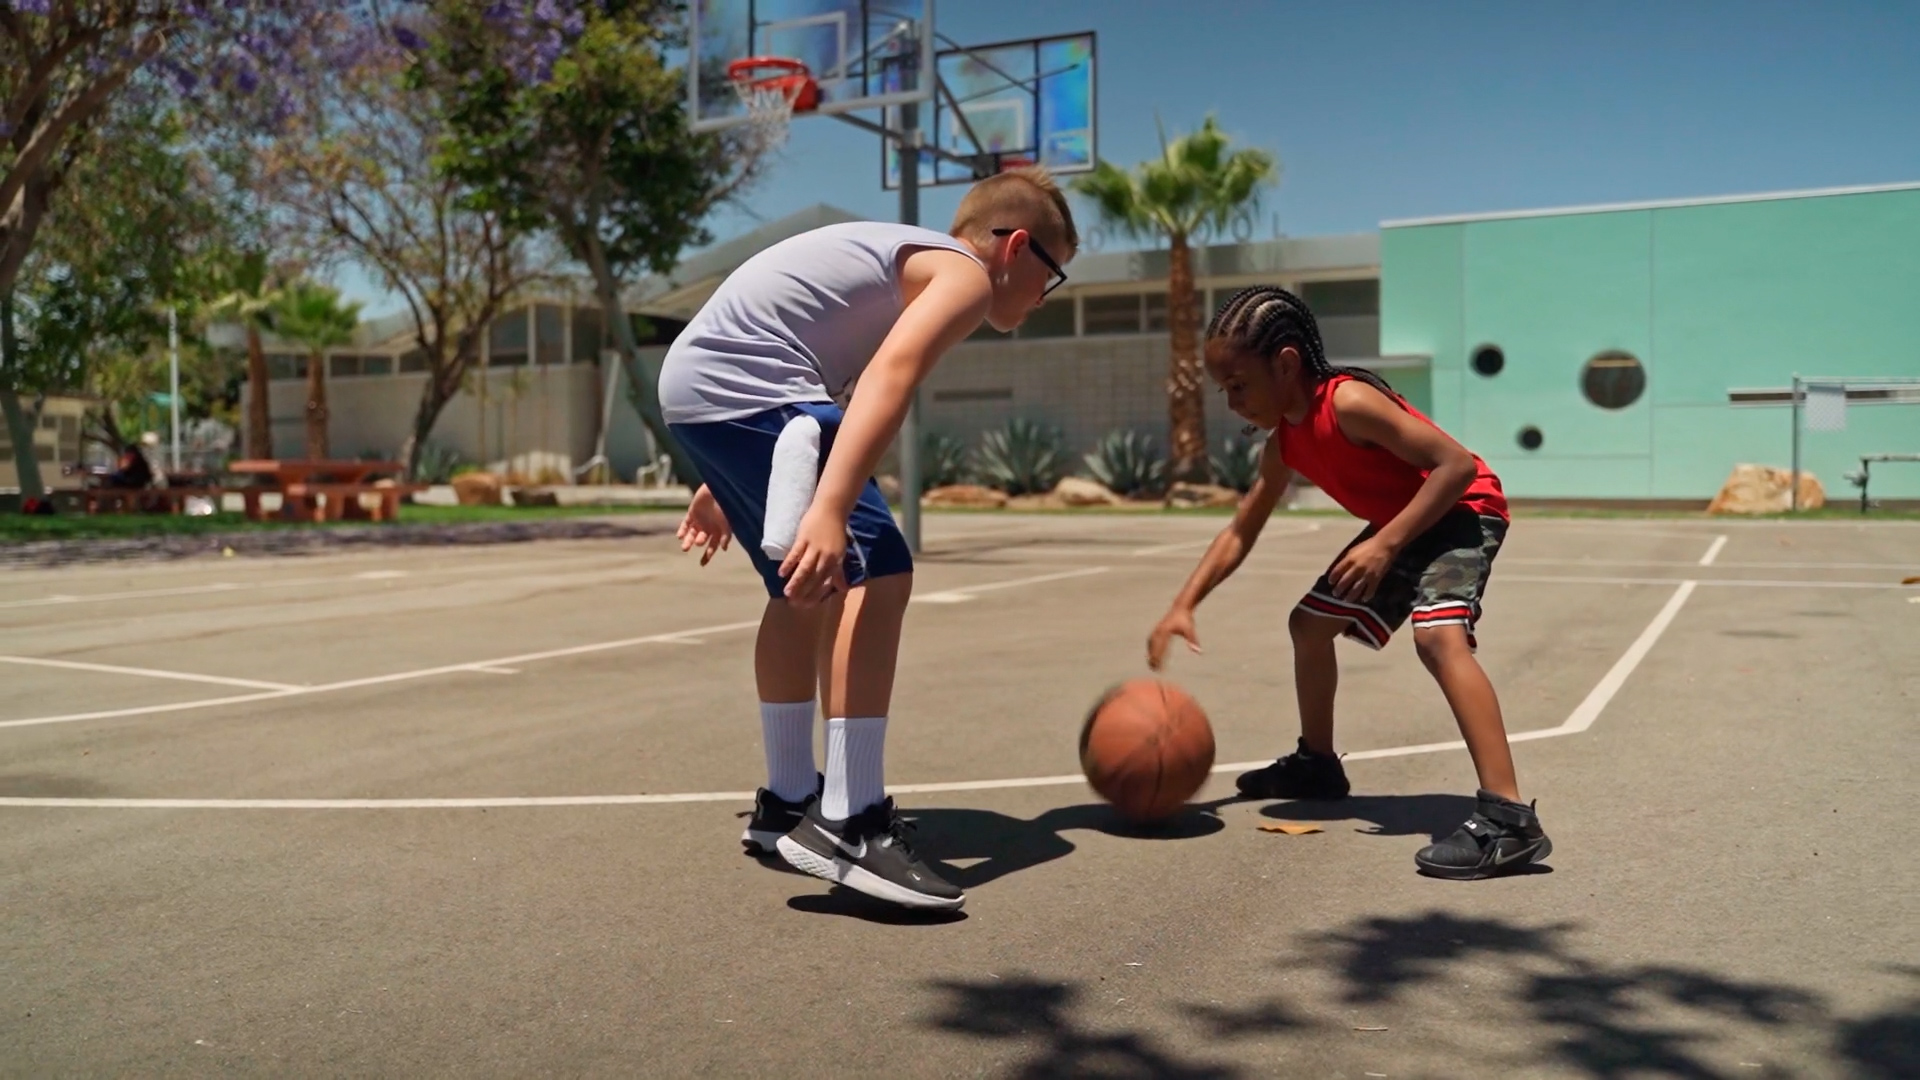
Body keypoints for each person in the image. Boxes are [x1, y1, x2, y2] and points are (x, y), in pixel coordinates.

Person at [659, 168, 1077, 910]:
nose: (1045, 297)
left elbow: (836, 370)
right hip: (757, 388)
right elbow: (892, 376)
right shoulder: (965, 275)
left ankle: (788, 802)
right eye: (1053, 276)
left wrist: (723, 476)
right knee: (878, 571)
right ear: (1016, 247)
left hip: (708, 385)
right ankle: (848, 824)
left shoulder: (901, 263)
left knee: (802, 589)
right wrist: (830, 506)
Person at [1146, 286, 1551, 880]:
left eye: (1238, 384)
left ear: (1285, 363)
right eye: (1222, 390)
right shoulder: (1285, 443)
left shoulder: (1350, 403)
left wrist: (1386, 545)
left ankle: (1509, 820)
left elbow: (1456, 466)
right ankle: (1318, 764)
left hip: (1462, 509)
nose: (1230, 402)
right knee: (1308, 625)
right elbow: (1240, 531)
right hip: (1401, 523)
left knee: (1439, 641)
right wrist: (1183, 604)